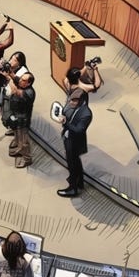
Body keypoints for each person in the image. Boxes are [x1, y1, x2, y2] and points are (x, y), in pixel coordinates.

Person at [57, 64, 101, 197]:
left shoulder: (68, 84)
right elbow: (97, 85)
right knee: (74, 160)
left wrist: (84, 68)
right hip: (69, 129)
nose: (72, 101)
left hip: (74, 133)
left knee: (72, 161)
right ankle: (79, 181)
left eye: (75, 100)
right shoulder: (83, 88)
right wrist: (94, 70)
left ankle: (73, 188)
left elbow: (79, 130)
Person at [4, 72, 36, 168]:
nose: (20, 80)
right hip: (15, 117)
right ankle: (19, 150)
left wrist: (9, 81)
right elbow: (14, 77)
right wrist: (8, 72)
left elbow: (16, 91)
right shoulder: (22, 82)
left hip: (23, 121)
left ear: (28, 83)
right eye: (21, 78)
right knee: (17, 137)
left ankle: (27, 159)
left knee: (23, 141)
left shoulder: (29, 92)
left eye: (23, 80)